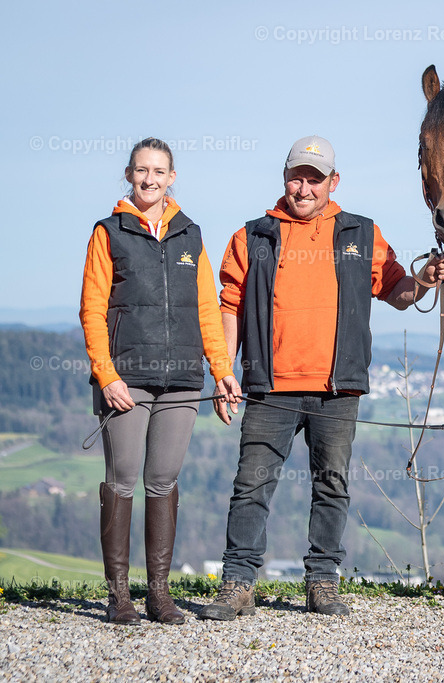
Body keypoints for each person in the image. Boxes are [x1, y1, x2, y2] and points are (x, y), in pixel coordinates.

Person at [200, 136, 444, 620]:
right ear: (285, 178)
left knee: (332, 484)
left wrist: (426, 278)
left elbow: (397, 291)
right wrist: (223, 371)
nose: (304, 187)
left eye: (315, 179)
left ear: (333, 182)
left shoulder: (362, 233)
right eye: (297, 176)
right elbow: (228, 305)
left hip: (338, 385)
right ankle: (237, 585)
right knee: (251, 483)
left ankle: (321, 583)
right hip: (268, 386)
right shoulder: (252, 236)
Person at [80, 137, 242, 625]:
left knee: (163, 481)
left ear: (172, 178)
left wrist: (222, 370)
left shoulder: (190, 235)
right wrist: (105, 376)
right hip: (126, 380)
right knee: (123, 480)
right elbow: (91, 310)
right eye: (141, 171)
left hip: (182, 382)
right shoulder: (108, 232)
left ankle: (159, 594)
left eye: (159, 171)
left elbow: (208, 312)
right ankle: (119, 597)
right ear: (129, 175)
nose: (149, 179)